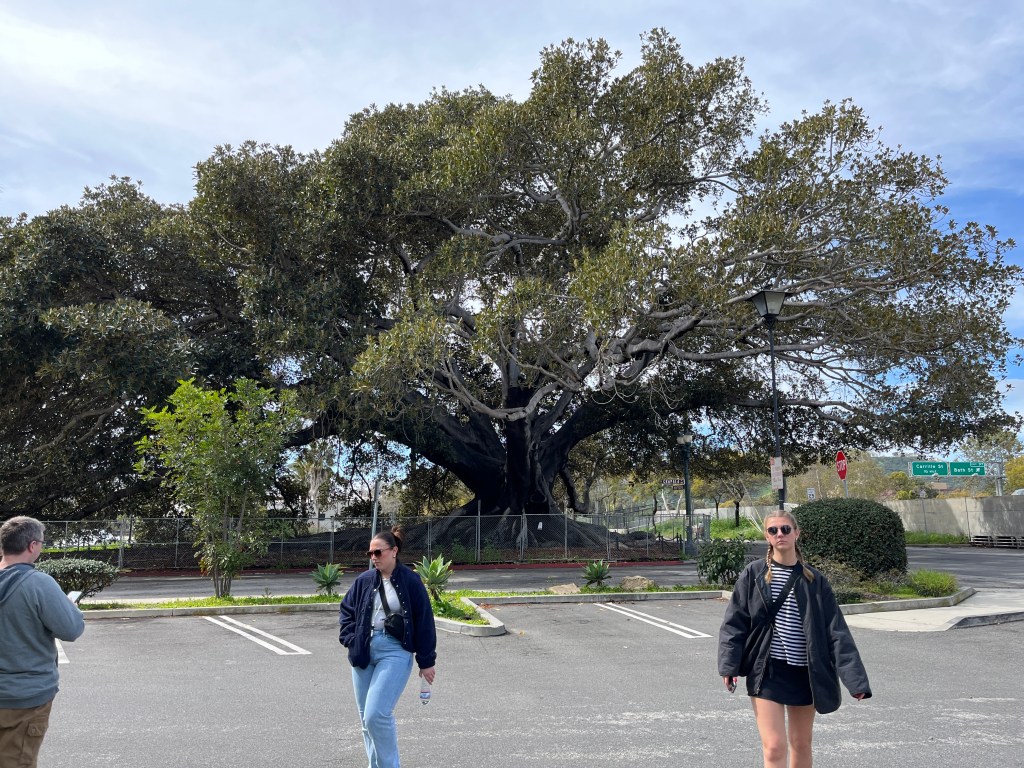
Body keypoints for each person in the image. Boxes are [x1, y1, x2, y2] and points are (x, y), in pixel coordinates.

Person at [718, 510, 871, 768]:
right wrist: (729, 666)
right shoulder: (754, 573)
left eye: (785, 529)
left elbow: (836, 631)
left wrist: (855, 681)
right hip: (767, 670)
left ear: (796, 533)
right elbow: (735, 622)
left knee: (801, 744)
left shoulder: (815, 580)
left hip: (805, 673)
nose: (780, 534)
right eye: (773, 530)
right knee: (774, 747)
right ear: (767, 536)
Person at [339, 527, 436, 768]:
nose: (373, 557)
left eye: (378, 552)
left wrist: (426, 661)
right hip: (363, 650)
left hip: (394, 650)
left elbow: (424, 620)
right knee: (366, 720)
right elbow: (346, 611)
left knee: (376, 715)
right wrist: (350, 638)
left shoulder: (410, 581)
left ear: (394, 551)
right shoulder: (364, 581)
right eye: (370, 553)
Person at [0, 516, 86, 768]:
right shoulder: (38, 583)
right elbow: (71, 629)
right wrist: (69, 607)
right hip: (24, 698)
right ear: (32, 545)